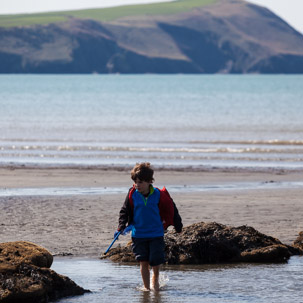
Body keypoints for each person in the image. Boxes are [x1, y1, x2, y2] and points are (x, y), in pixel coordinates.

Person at [115, 162, 183, 291]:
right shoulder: (132, 194)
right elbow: (124, 211)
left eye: (140, 182)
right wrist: (121, 226)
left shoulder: (158, 194)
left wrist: (178, 226)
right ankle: (147, 288)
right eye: (135, 182)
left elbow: (172, 209)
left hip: (156, 233)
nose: (137, 185)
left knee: (155, 260)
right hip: (138, 234)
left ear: (149, 181)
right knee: (143, 261)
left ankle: (155, 281)